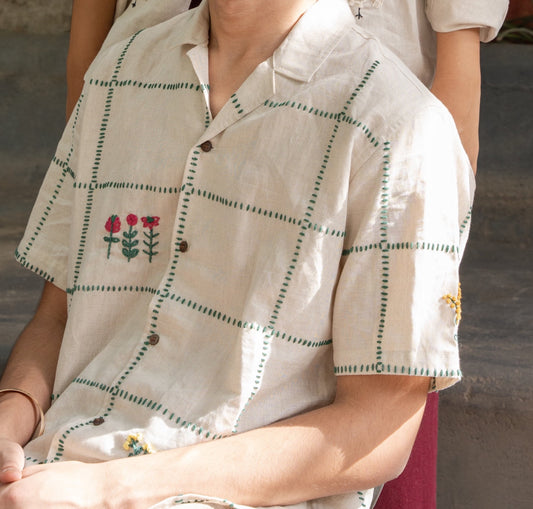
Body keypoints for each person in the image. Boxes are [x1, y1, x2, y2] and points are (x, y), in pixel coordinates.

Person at [0, 0, 474, 507]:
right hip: (49, 473)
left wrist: (110, 488)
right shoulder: (116, 74)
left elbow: (379, 431)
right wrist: (13, 412)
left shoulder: (401, 129)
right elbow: (56, 317)